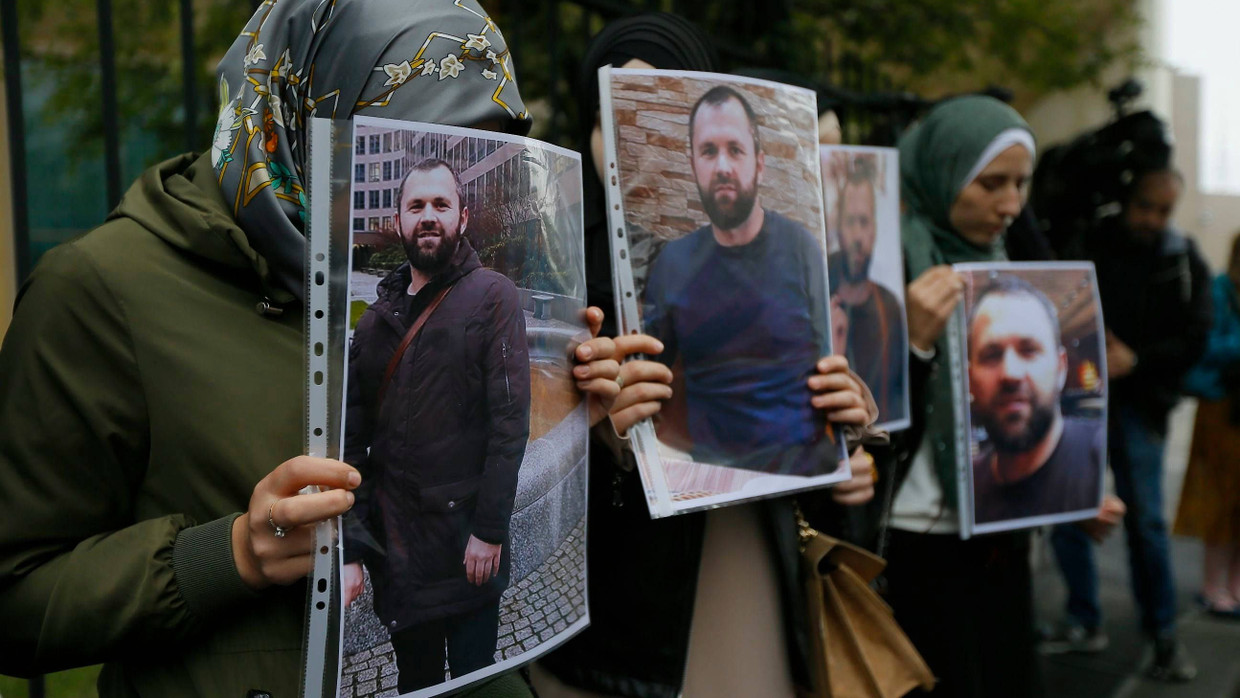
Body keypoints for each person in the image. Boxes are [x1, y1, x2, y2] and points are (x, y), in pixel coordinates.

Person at [0, 2, 628, 697]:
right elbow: (15, 596)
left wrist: (575, 414)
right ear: (309, 109)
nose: (446, 182)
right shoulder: (101, 289)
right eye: (415, 140)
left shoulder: (445, 290)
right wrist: (230, 555)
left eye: (480, 146)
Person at [534, 13, 885, 698]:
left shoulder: (783, 251)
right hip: (622, 619)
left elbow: (790, 425)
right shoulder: (548, 268)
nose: (628, 139)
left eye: (653, 111)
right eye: (609, 116)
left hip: (745, 566)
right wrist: (602, 436)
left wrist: (841, 434)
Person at [339, 158, 530, 691]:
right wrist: (352, 548)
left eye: (441, 205)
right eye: (416, 205)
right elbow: (351, 445)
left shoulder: (493, 297)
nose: (428, 216)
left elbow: (510, 426)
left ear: (462, 218)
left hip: (468, 550)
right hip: (401, 560)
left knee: (474, 683)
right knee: (415, 682)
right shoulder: (375, 324)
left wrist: (489, 532)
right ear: (399, 221)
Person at [880, 95, 1044, 698]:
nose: (1011, 205)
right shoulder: (879, 262)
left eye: (1021, 183)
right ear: (942, 173)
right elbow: (854, 417)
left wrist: (1069, 486)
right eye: (991, 183)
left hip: (1000, 530)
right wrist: (914, 344)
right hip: (913, 535)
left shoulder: (1008, 264)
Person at [1044, 168, 1210, 680]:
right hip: (1079, 400)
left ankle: (1162, 634)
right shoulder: (1090, 243)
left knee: (1148, 523)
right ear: (1127, 200)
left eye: (1163, 210)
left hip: (1140, 406)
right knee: (1070, 509)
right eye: (1145, 207)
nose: (1152, 219)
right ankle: (1083, 618)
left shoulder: (1181, 259)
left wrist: (1136, 360)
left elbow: (1195, 336)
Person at [642, 84, 835, 476]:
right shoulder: (673, 263)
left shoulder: (801, 248)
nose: (723, 167)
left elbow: (836, 370)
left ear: (759, 163)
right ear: (693, 164)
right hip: (711, 480)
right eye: (708, 151)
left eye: (735, 149)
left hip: (805, 475)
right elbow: (647, 382)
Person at [967, 274, 1103, 524]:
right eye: (991, 355)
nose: (1011, 373)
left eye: (1029, 350)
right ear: (970, 379)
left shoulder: (1097, 455)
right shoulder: (967, 484)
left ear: (1061, 368)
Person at [1177, 229, 1240, 619]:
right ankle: (1212, 585)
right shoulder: (1219, 290)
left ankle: (1234, 585)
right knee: (1219, 499)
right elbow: (1206, 344)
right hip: (1222, 408)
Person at [830, 164, 908, 423]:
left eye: (864, 222)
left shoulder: (890, 309)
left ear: (874, 229)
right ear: (837, 227)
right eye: (850, 222)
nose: (857, 236)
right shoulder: (817, 301)